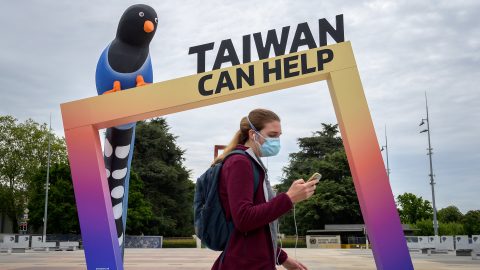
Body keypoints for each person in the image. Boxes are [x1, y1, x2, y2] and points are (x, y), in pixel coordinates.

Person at [211, 108, 319, 270]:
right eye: (273, 135)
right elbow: (244, 219)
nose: (277, 141)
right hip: (244, 264)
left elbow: (260, 227)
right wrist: (289, 198)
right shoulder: (240, 163)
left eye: (279, 136)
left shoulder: (251, 163)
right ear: (253, 134)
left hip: (254, 261)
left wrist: (281, 257)